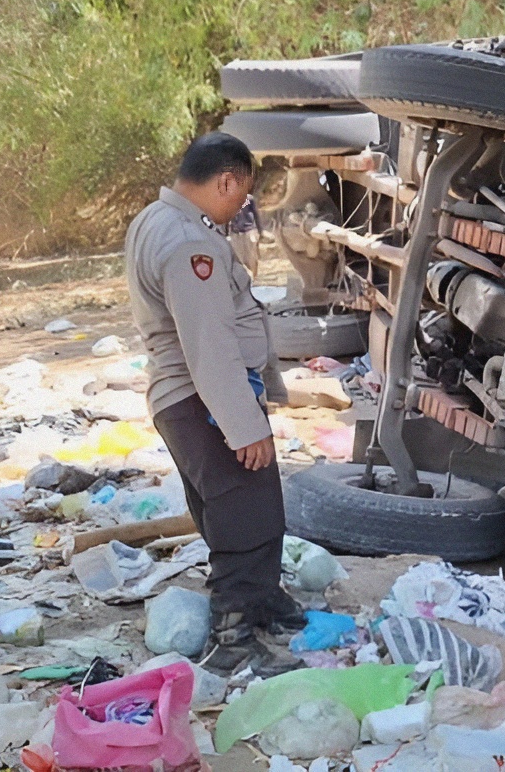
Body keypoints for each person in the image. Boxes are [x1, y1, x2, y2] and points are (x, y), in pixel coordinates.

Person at [125, 132, 303, 675]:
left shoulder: (153, 220)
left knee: (224, 505)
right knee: (247, 513)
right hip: (201, 397)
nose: (240, 207)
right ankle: (233, 636)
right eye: (241, 195)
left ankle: (260, 599)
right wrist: (243, 425)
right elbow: (210, 346)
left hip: (181, 397)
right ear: (225, 180)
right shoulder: (189, 243)